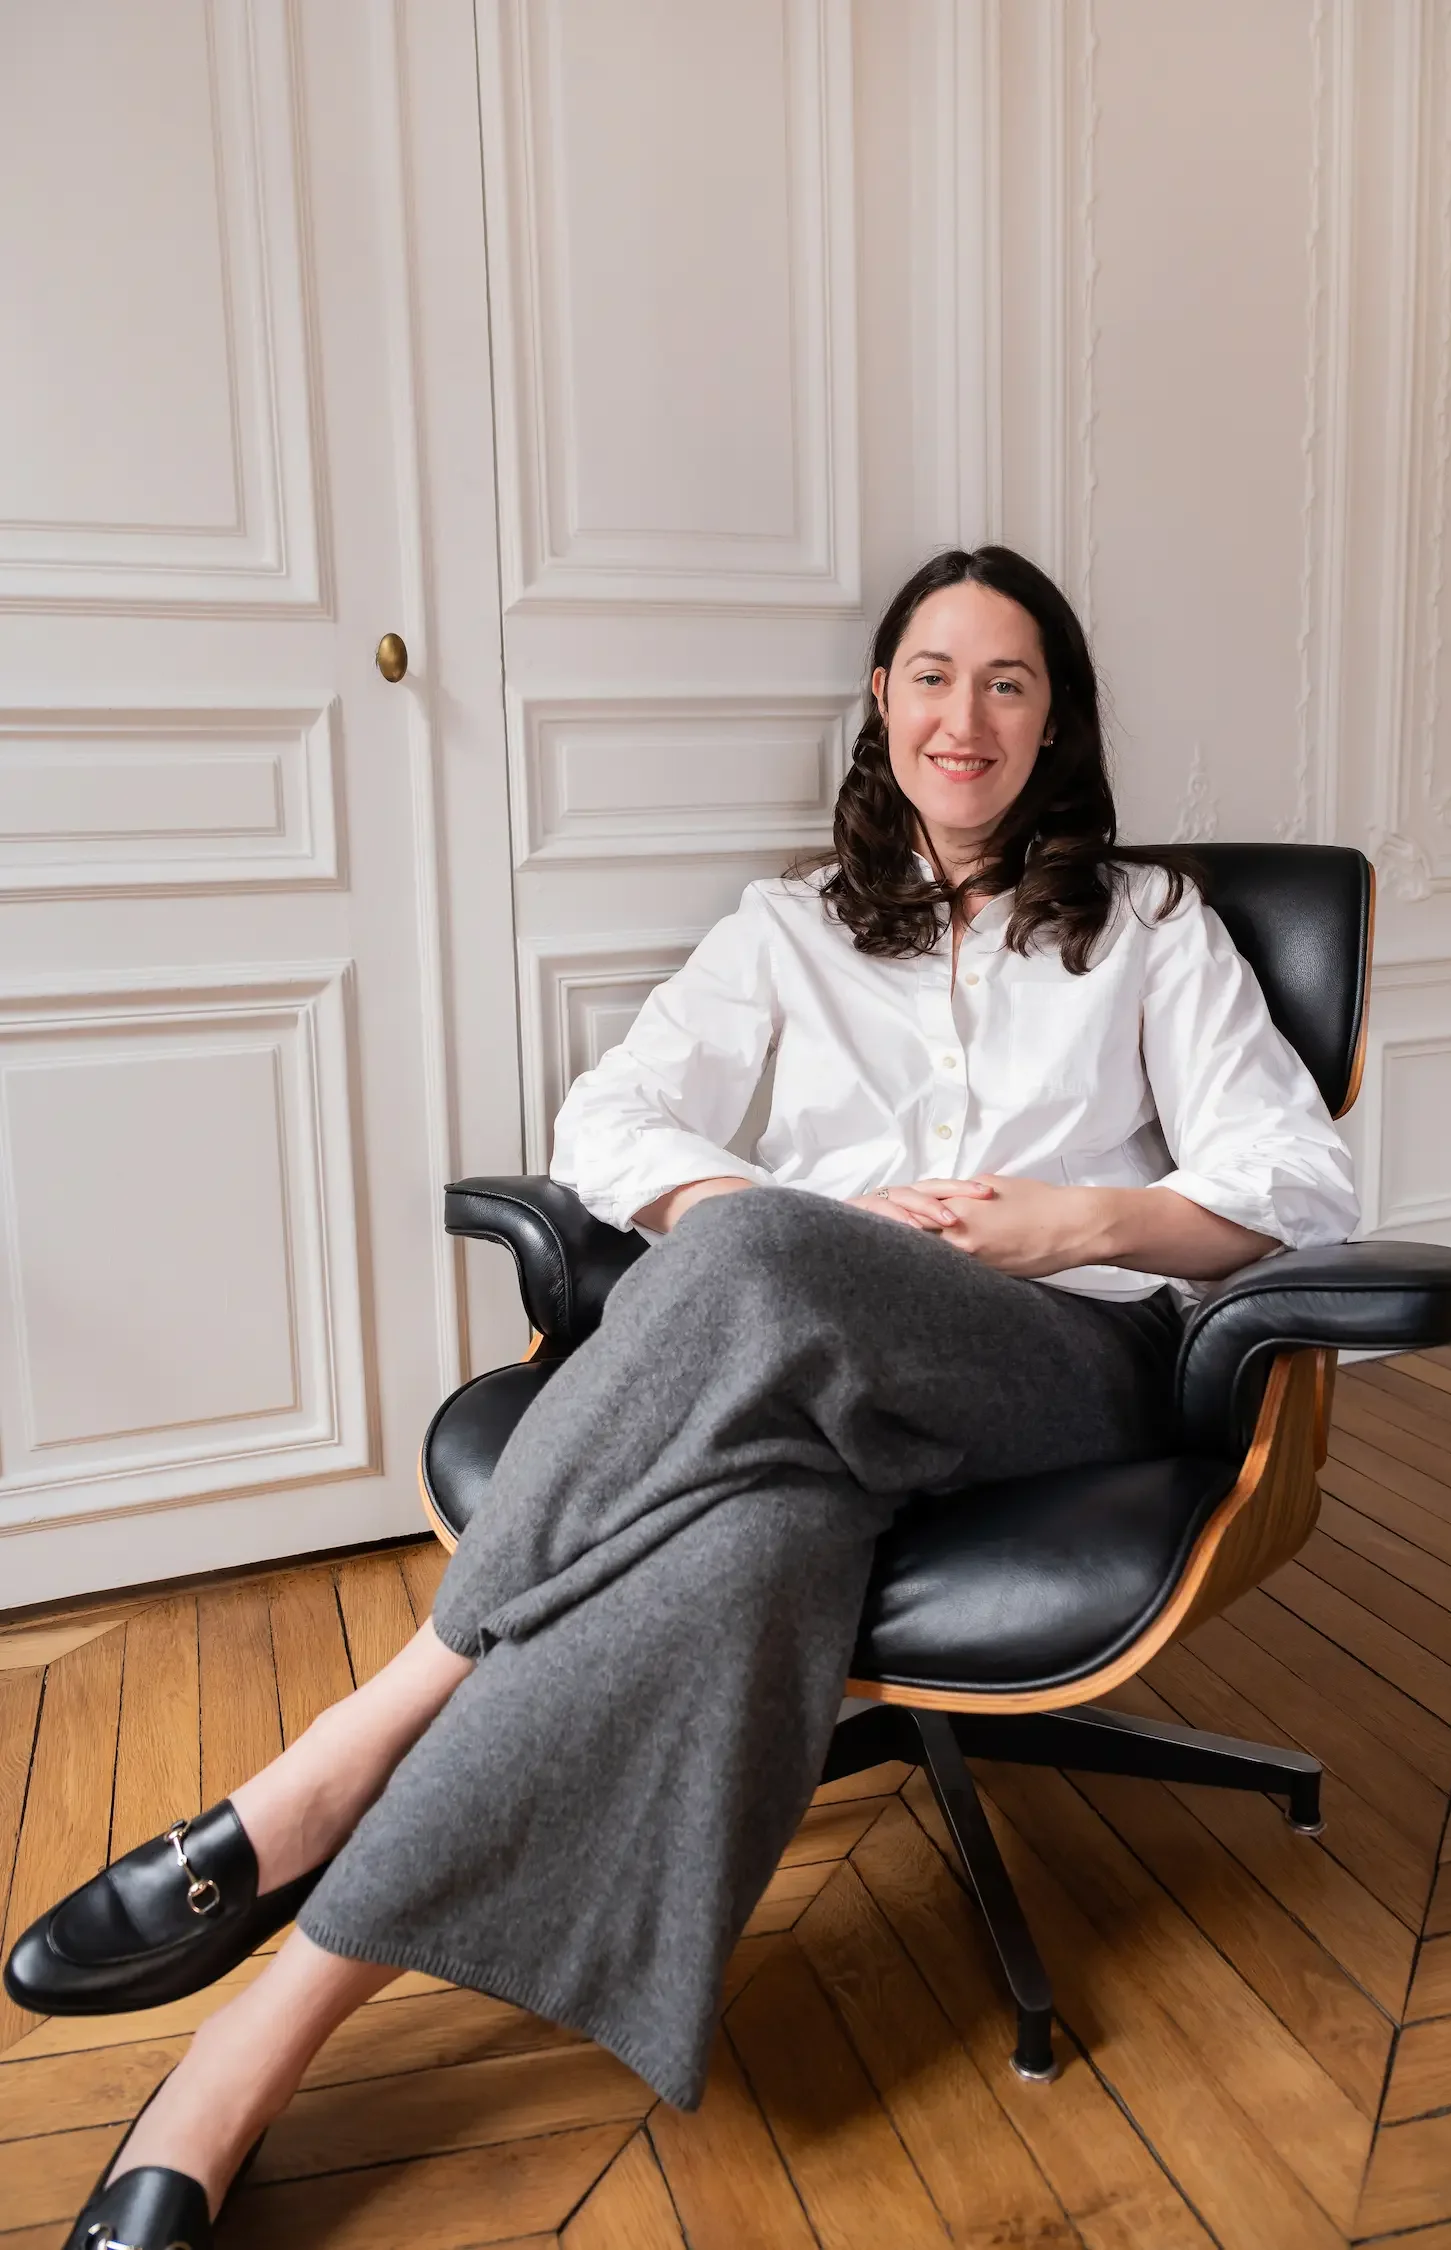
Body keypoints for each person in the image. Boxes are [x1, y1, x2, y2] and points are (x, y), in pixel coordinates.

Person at [15, 546, 1360, 2250]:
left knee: (762, 1269)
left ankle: (341, 1758)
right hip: (804, 1381)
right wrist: (769, 1237)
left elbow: (1294, 1176)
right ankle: (244, 2054)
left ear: (1057, 721)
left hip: (1055, 1363)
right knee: (746, 1538)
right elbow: (614, 1120)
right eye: (933, 676)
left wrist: (1069, 1220)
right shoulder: (786, 929)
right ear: (883, 704)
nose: (968, 716)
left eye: (1010, 682)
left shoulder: (1153, 925)